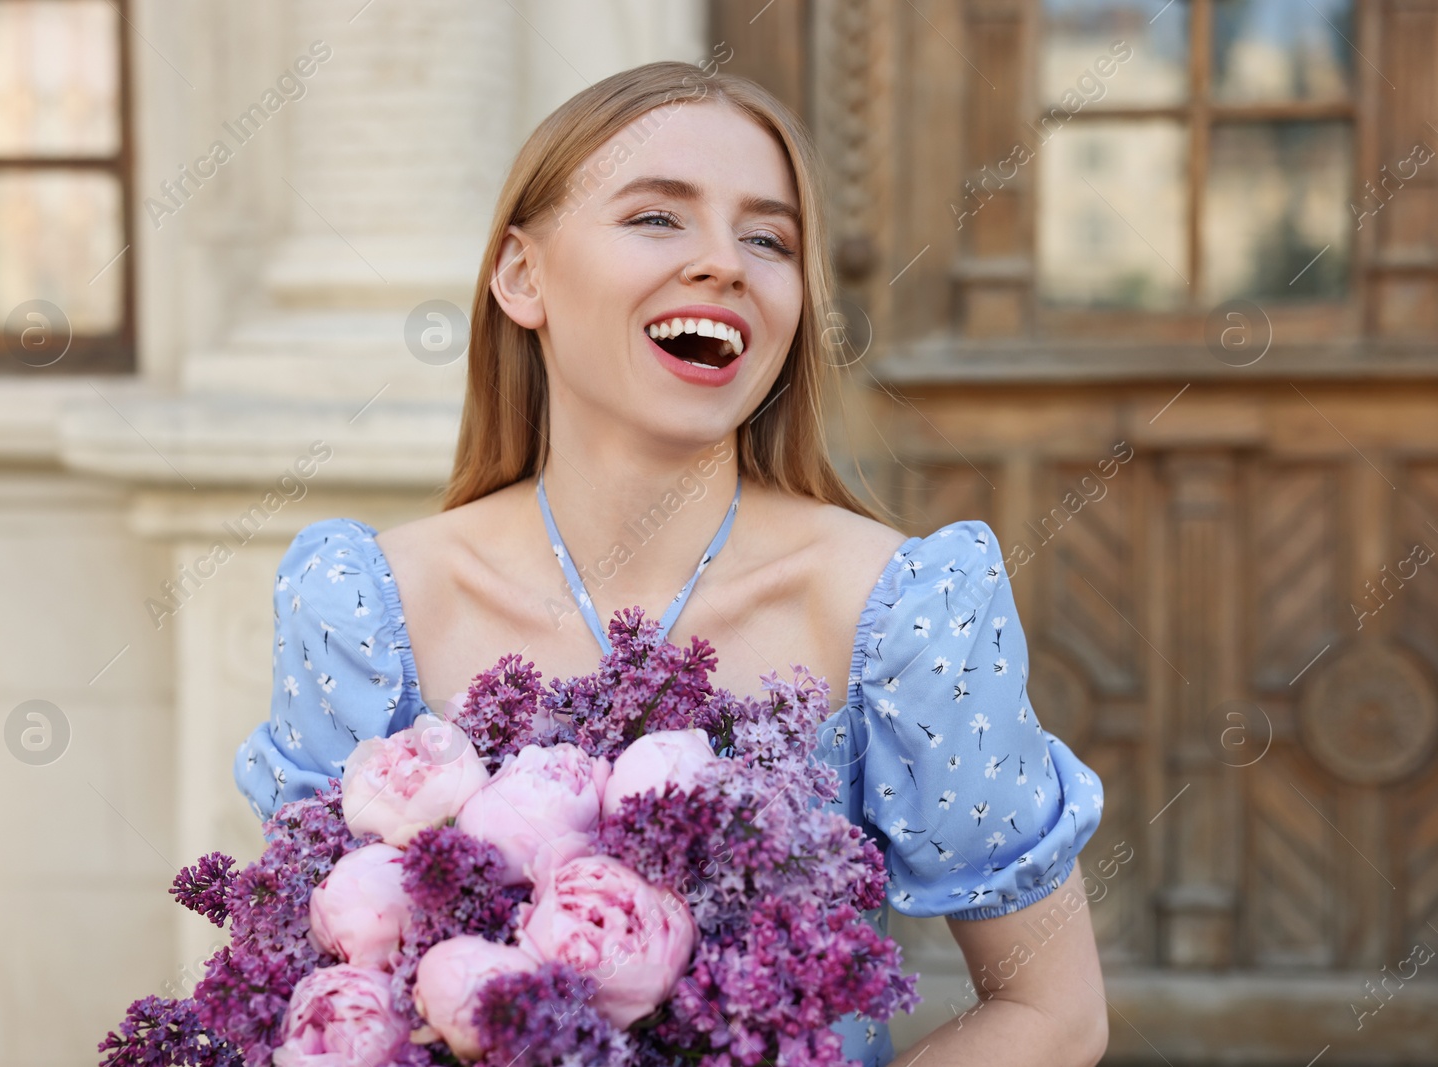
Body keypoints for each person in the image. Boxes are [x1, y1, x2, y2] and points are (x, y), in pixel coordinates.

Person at [235, 60, 1108, 1067]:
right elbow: (304, 990)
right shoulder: (363, 605)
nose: (723, 262)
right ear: (522, 275)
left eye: (768, 238)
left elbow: (1052, 1011)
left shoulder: (898, 608)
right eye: (658, 217)